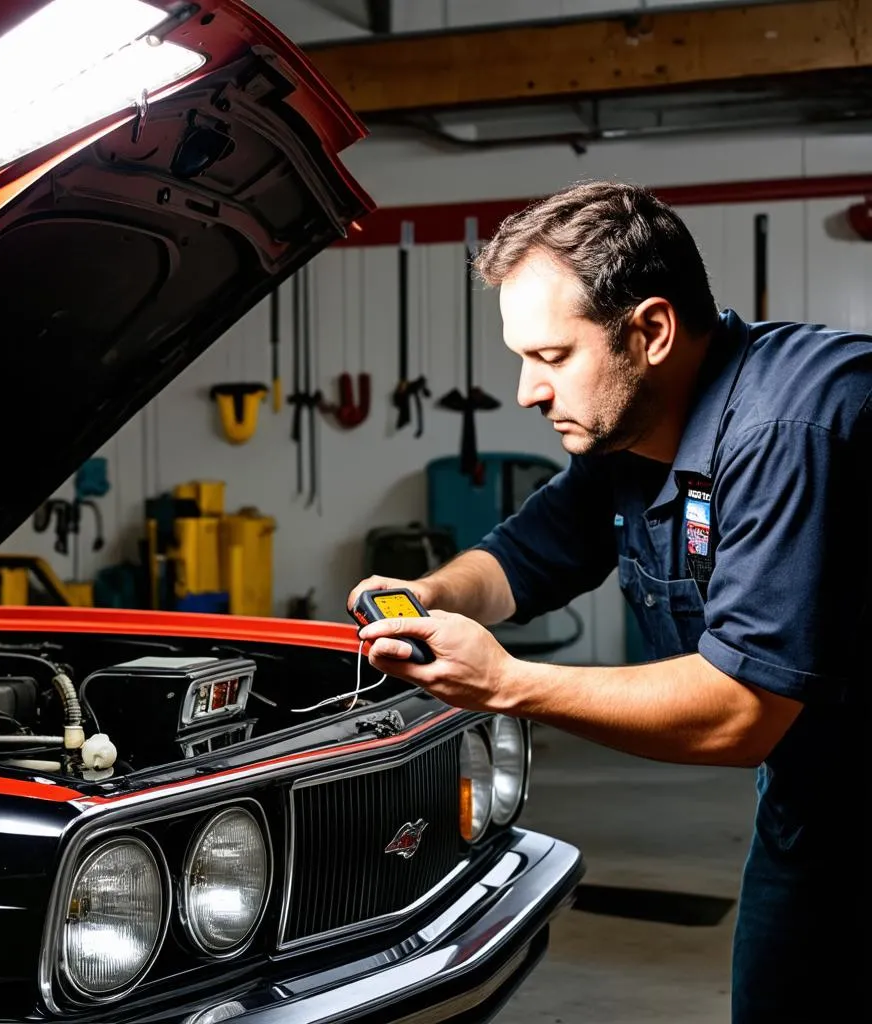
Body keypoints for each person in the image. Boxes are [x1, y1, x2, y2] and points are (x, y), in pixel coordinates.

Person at [348, 181, 867, 1024]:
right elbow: (524, 556)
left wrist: (508, 682)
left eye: (552, 357)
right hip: (818, 804)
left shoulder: (790, 429)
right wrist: (428, 594)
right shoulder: (634, 430)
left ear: (651, 331)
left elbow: (742, 712)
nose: (527, 391)